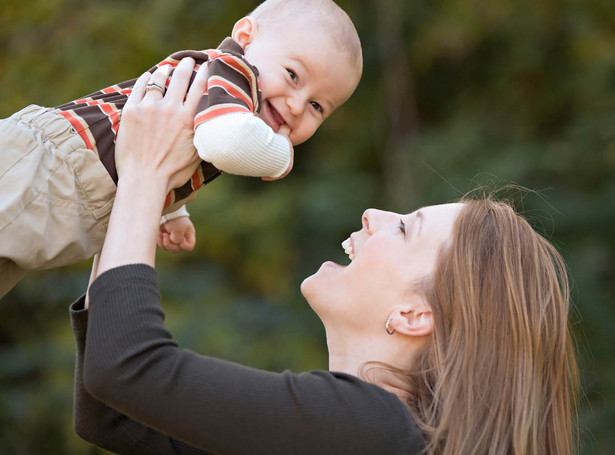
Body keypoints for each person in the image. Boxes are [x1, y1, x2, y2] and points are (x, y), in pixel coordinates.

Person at [70, 63, 579, 454]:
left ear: (414, 314)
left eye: (404, 228)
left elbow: (124, 369)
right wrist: (134, 196)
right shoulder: (370, 436)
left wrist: (144, 172)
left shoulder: (375, 430)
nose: (373, 214)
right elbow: (114, 416)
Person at [0, 0, 363, 298]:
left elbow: (168, 148)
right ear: (246, 37)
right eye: (293, 75)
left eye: (318, 107)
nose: (297, 106)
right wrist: (283, 157)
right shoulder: (235, 71)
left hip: (60, 188)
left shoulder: (231, 101)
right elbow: (224, 141)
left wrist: (170, 210)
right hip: (47, 166)